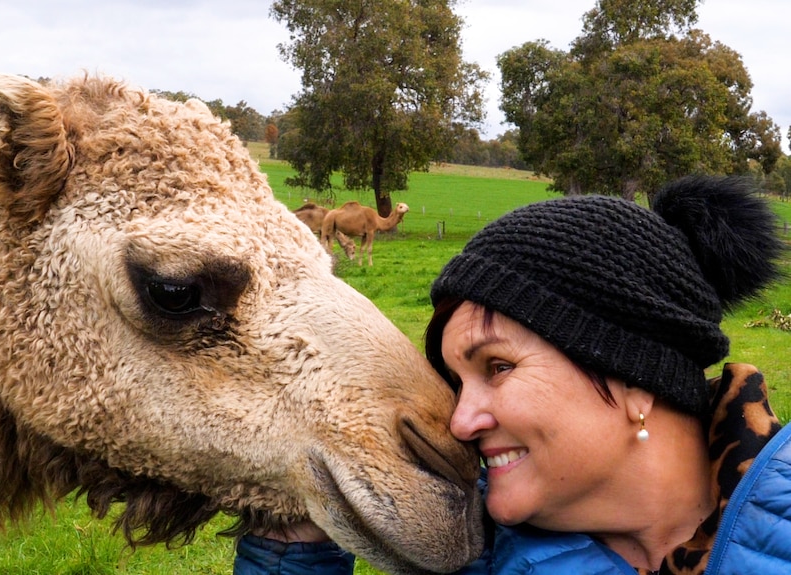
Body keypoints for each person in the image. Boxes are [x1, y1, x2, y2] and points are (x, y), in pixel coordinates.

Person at [234, 175, 791, 575]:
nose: (459, 421)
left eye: (497, 367)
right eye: (456, 383)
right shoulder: (463, 556)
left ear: (636, 376)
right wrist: (291, 538)